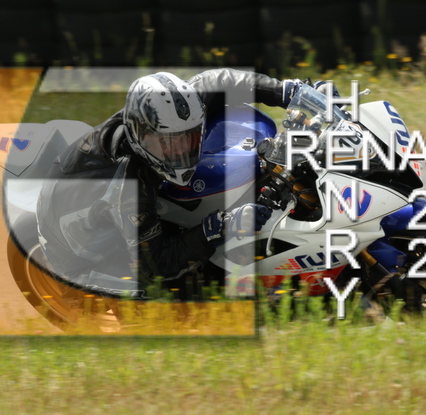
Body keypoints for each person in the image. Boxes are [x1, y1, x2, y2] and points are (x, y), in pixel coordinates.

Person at [36, 68, 309, 299]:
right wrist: (220, 226)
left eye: (188, 138)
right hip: (79, 251)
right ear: (141, 136)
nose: (180, 152)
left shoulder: (162, 117)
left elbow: (220, 80)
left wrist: (287, 91)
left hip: (89, 193)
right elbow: (157, 265)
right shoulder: (127, 187)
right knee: (190, 291)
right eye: (168, 144)